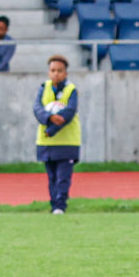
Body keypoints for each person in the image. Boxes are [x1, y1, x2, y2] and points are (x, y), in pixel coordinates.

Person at [33, 55, 80, 216]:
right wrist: (49, 117)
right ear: (49, 72)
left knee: (63, 177)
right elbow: (37, 108)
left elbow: (69, 112)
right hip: (46, 142)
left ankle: (60, 205)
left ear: (65, 73)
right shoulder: (43, 88)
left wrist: (51, 129)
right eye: (53, 70)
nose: (56, 74)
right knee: (52, 176)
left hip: (67, 142)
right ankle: (54, 205)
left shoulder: (71, 90)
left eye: (60, 71)